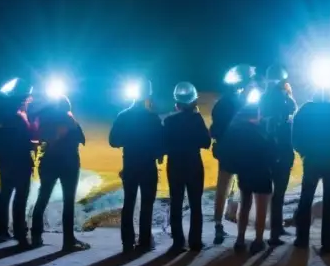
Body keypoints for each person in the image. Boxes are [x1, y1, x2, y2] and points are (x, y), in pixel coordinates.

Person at [292, 87, 330, 254]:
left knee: (306, 197)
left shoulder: (304, 110)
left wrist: (303, 153)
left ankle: (301, 238)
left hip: (312, 160)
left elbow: (295, 135)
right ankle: (329, 240)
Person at [109, 79, 164, 253]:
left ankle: (127, 241)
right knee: (147, 204)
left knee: (129, 202)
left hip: (130, 164)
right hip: (148, 165)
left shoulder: (123, 116)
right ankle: (145, 241)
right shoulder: (153, 118)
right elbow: (161, 143)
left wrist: (128, 141)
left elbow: (113, 140)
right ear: (147, 95)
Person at [0, 78, 37, 248]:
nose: (30, 100)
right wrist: (37, 141)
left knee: (4, 194)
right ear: (23, 98)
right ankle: (21, 235)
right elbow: (26, 140)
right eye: (28, 98)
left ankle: (1, 231)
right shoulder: (19, 117)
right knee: (21, 198)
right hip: (20, 161)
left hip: (4, 161)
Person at [31, 94, 88, 250]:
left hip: (49, 162)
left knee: (42, 198)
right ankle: (68, 240)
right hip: (69, 164)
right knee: (68, 202)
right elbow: (82, 139)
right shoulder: (71, 121)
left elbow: (40, 138)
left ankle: (35, 236)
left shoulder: (46, 122)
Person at [209, 65, 256, 244]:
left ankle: (218, 226)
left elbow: (214, 130)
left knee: (222, 189)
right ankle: (241, 235)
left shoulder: (221, 103)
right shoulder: (246, 103)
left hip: (226, 152)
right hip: (244, 152)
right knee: (245, 192)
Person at [163, 82, 211, 252]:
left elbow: (164, 144)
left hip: (175, 164)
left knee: (176, 202)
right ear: (193, 102)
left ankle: (178, 242)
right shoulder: (197, 119)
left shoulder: (169, 121)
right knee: (195, 203)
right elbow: (206, 142)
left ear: (176, 102)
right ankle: (195, 242)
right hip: (193, 163)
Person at [228, 90, 273, 253]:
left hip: (245, 173)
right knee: (261, 207)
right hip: (262, 173)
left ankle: (240, 239)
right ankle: (258, 240)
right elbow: (271, 152)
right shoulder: (263, 132)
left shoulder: (238, 131)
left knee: (245, 204)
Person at [260, 65, 297, 246]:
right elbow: (292, 109)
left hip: (268, 150)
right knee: (278, 192)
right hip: (281, 148)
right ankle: (275, 232)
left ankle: (275, 227)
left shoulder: (264, 97)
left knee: (272, 192)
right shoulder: (282, 97)